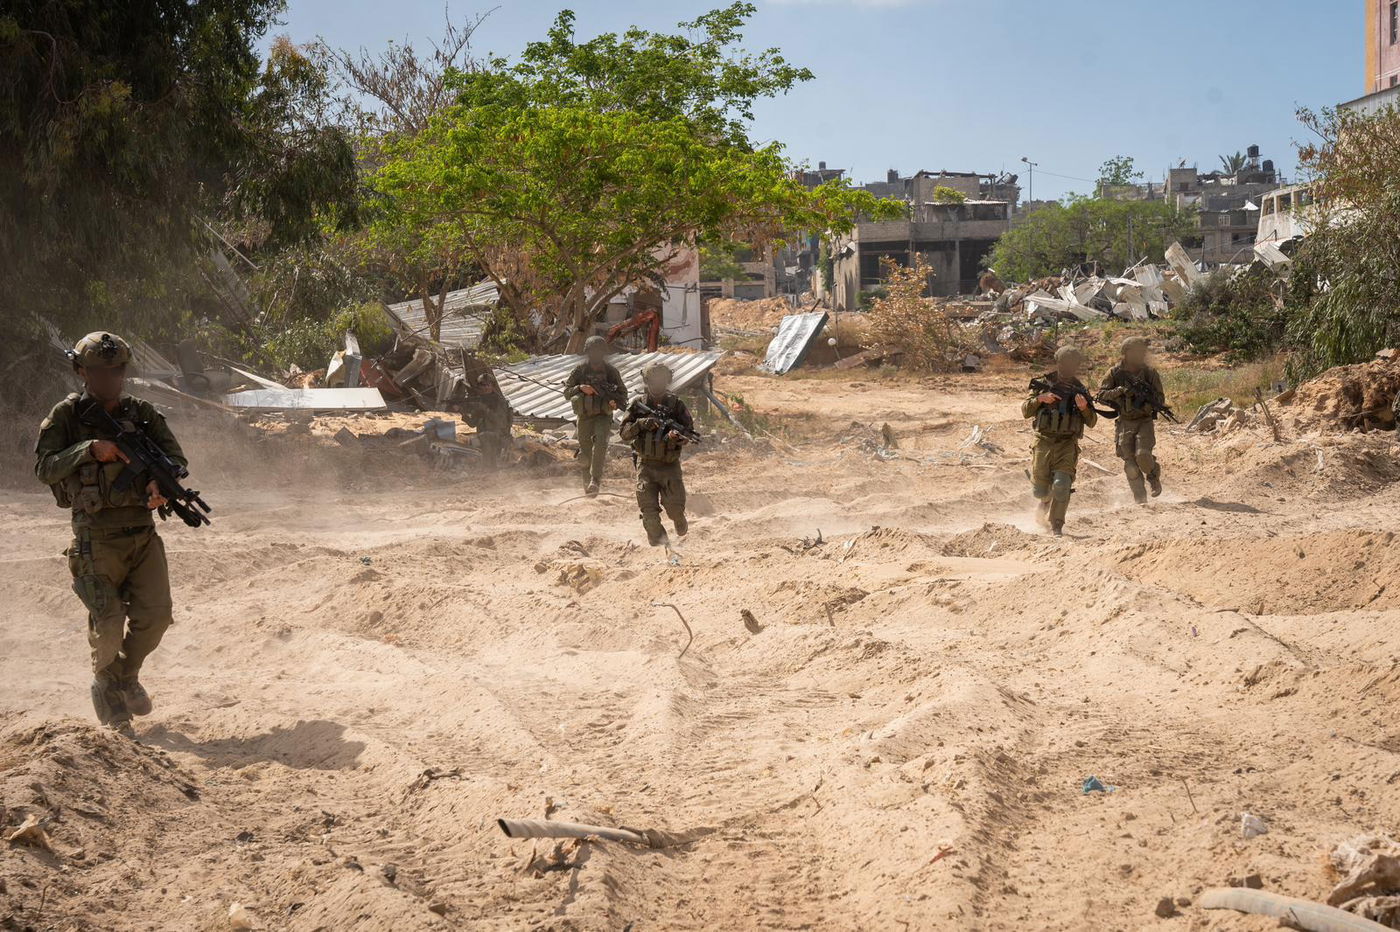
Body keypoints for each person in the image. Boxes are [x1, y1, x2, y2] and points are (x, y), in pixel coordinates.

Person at [34, 332, 186, 736]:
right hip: (94, 537)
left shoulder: (143, 413)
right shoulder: (66, 416)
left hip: (142, 533)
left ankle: (125, 675)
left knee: (156, 617)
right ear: (81, 371)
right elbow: (44, 467)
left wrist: (159, 485)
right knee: (108, 623)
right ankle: (110, 699)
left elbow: (174, 460)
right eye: (100, 371)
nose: (110, 379)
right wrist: (88, 449)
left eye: (117, 371)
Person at [1022, 346, 1098, 537]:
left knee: (1062, 485)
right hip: (1043, 442)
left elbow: (1092, 422)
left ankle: (1056, 525)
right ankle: (1045, 500)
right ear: (1058, 363)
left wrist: (1084, 409)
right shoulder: (1043, 384)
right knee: (1040, 490)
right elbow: (1025, 411)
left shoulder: (1080, 390)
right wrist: (1040, 399)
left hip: (1067, 444)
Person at [619, 363, 696, 548]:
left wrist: (676, 437)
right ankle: (663, 548)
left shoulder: (676, 404)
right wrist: (641, 424)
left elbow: (689, 434)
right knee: (649, 515)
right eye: (653, 381)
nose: (657, 384)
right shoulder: (638, 405)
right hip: (646, 466)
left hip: (669, 466)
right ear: (647, 381)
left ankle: (680, 522)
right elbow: (624, 434)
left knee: (675, 509)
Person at [1097, 337, 1167, 504]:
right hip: (1125, 422)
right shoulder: (1115, 373)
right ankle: (1140, 500)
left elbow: (1160, 399)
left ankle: (1153, 475)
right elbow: (1101, 396)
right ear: (1126, 353)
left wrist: (1146, 398)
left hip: (1144, 421)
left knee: (1143, 455)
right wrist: (1121, 391)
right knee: (1130, 465)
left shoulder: (1150, 373)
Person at [563, 336, 628, 497]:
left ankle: (595, 481)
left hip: (602, 416)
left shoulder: (611, 372)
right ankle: (587, 485)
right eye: (593, 351)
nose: (595, 355)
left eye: (598, 351)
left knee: (600, 444)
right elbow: (566, 392)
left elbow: (623, 394)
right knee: (585, 452)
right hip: (584, 417)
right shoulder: (580, 370)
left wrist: (614, 402)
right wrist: (580, 388)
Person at [460, 372, 513, 470]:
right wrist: (462, 413)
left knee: (486, 436)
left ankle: (491, 470)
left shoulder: (500, 402)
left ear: (492, 386)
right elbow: (473, 423)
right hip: (483, 438)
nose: (484, 388)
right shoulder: (480, 401)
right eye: (482, 385)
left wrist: (485, 409)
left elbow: (501, 422)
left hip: (499, 436)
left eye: (487, 385)